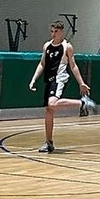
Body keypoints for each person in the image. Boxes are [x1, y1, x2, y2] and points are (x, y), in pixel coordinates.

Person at [28, 20, 90, 153]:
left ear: (61, 31)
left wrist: (81, 83)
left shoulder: (67, 47)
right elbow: (42, 64)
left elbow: (73, 66)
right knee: (49, 110)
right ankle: (49, 142)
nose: (53, 34)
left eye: (56, 31)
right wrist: (34, 78)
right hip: (49, 80)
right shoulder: (47, 46)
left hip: (59, 79)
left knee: (52, 104)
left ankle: (82, 103)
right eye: (51, 31)